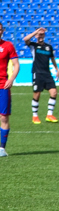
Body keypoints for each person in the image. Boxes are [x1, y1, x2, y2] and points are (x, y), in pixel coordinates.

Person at [23, 27, 59, 124]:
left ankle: (49, 115)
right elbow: (25, 39)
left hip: (47, 73)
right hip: (37, 73)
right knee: (37, 94)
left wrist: (57, 69)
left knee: (54, 92)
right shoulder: (33, 45)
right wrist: (36, 31)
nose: (40, 36)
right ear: (36, 35)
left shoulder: (49, 47)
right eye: (39, 34)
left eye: (42, 34)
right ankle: (35, 116)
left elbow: (52, 59)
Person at [0, 25, 18, 156]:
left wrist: (11, 79)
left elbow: (17, 65)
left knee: (4, 117)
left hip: (3, 86)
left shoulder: (8, 45)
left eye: (0, 29)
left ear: (2, 31)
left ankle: (2, 148)